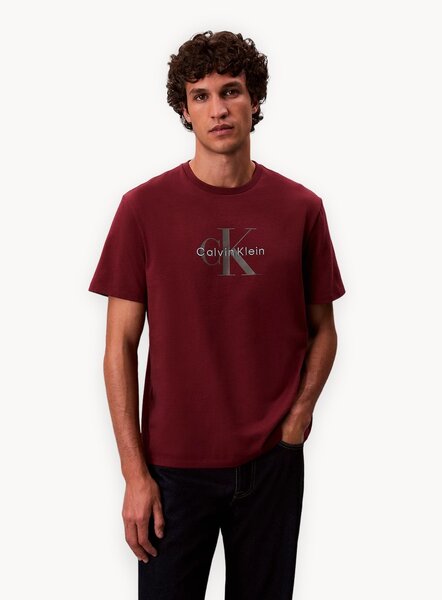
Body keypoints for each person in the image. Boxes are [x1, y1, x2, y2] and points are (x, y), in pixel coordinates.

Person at [88, 30, 346, 600]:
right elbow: (119, 346)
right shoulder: (142, 209)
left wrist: (298, 417)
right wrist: (134, 474)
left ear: (255, 100)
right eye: (200, 96)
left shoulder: (301, 208)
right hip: (173, 468)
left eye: (231, 91)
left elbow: (323, 329)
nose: (218, 109)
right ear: (184, 110)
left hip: (272, 461)